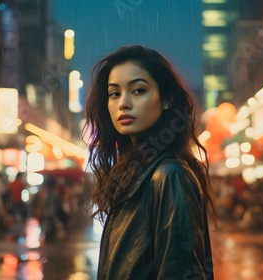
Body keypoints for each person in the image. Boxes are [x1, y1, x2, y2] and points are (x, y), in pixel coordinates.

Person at [83, 45, 217, 279]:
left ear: (167, 99)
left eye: (138, 90)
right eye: (114, 93)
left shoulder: (169, 175)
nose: (123, 103)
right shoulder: (133, 173)